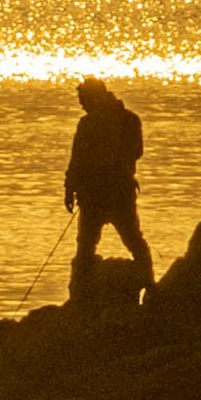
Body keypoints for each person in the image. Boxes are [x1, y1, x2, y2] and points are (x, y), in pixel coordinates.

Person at [63, 74, 152, 291]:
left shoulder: (88, 124)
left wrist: (70, 189)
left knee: (86, 246)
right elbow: (137, 152)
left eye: (83, 101)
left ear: (93, 97)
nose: (82, 106)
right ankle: (151, 287)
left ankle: (80, 293)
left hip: (97, 195)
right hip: (119, 191)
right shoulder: (130, 119)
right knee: (134, 241)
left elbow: (77, 161)